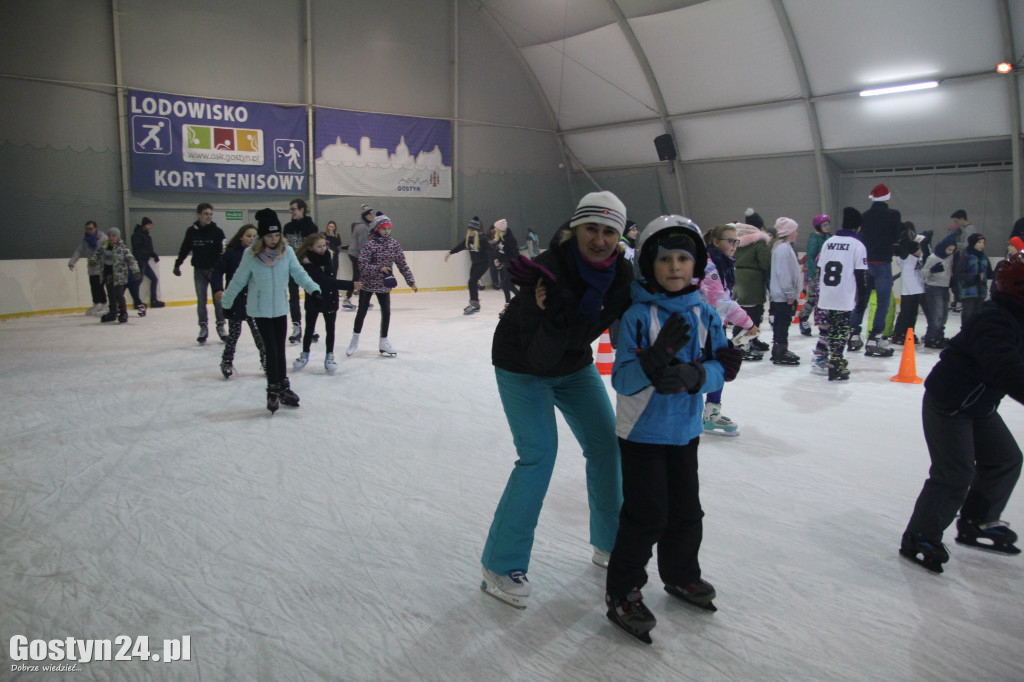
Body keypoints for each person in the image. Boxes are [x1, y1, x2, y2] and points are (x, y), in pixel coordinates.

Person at [480, 191, 633, 610]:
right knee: (539, 454)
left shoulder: (621, 272)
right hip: (522, 364)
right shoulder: (547, 270)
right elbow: (538, 356)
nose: (599, 240)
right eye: (591, 229)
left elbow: (637, 311)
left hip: (573, 363)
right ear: (575, 229)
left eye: (609, 231)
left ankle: (610, 543)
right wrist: (552, 314)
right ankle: (500, 565)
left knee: (606, 445)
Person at [604, 215, 739, 643]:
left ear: (696, 264)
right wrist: (653, 358)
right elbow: (622, 380)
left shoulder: (705, 313)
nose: (675, 267)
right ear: (650, 264)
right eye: (665, 259)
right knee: (646, 516)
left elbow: (721, 365)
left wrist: (697, 376)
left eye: (683, 258)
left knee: (686, 512)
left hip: (684, 432)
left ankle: (681, 574)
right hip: (642, 433)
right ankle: (623, 591)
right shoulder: (637, 315)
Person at [900, 251, 1024, 573]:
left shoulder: (1017, 316)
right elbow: (1008, 371)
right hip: (950, 404)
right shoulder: (995, 320)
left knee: (1005, 458)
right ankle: (920, 535)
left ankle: (977, 521)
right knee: (955, 473)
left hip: (978, 406)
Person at [220, 209, 321, 413]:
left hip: (280, 308)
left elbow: (299, 273)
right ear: (262, 236)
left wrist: (314, 289)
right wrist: (226, 304)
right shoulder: (251, 254)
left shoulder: (287, 252)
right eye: (269, 236)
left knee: (280, 349)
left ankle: (284, 387)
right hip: (259, 310)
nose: (273, 240)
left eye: (276, 235)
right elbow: (238, 280)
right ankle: (272, 390)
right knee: (271, 350)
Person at [700, 223, 755, 435]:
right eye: (730, 241)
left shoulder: (721, 264)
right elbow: (722, 302)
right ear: (716, 242)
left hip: (711, 326)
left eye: (736, 241)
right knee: (717, 367)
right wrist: (748, 323)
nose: (734, 245)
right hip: (702, 329)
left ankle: (710, 413)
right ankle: (704, 414)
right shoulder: (710, 268)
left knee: (718, 366)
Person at [347, 215, 418, 357]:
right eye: (383, 228)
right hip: (367, 284)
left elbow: (402, 264)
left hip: (383, 285)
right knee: (362, 312)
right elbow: (362, 265)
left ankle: (383, 341)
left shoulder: (394, 245)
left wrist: (411, 281)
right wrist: (379, 268)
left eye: (388, 229)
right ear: (377, 229)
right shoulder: (370, 245)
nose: (386, 231)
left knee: (386, 312)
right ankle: (354, 340)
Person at [815, 207, 868, 381]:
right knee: (842, 328)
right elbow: (860, 275)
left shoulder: (828, 242)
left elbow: (820, 268)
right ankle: (836, 361)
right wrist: (863, 299)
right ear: (858, 227)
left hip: (827, 293)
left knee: (832, 329)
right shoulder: (857, 245)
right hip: (844, 294)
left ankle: (834, 358)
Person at [293, 233, 357, 373]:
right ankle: (305, 354)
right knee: (309, 329)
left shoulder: (328, 257)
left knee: (330, 329)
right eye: (319, 246)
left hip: (330, 298)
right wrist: (351, 285)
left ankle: (329, 356)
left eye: (324, 245)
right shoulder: (307, 263)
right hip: (314, 299)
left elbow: (330, 278)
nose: (323, 248)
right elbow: (324, 281)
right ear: (310, 247)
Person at [850, 184, 901, 357]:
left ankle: (854, 334)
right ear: (887, 197)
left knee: (862, 300)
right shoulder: (894, 215)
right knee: (883, 301)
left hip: (865, 263)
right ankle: (874, 338)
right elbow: (895, 237)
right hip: (882, 263)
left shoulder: (864, 216)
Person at [211, 224, 266, 379]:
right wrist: (218, 289)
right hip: (236, 300)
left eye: (254, 236)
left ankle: (266, 360)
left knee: (259, 334)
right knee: (234, 333)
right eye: (248, 235)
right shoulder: (231, 254)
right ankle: (227, 361)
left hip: (254, 301)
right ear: (241, 237)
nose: (251, 239)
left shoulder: (260, 255)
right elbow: (217, 271)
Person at [173, 203, 227, 344]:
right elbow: (185, 248)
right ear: (199, 215)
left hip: (215, 272)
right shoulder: (192, 231)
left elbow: (223, 252)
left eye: (211, 214)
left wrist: (223, 268)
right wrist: (178, 264)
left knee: (218, 300)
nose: (209, 216)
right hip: (199, 271)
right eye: (206, 214)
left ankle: (221, 326)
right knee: (201, 300)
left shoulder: (218, 232)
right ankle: (203, 327)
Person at [733, 220, 772, 360]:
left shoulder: (735, 238)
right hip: (753, 280)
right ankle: (742, 344)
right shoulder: (759, 241)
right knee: (753, 312)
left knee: (741, 311)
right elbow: (765, 262)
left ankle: (750, 340)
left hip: (737, 277)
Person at [283, 198, 319, 343]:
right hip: (291, 266)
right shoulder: (287, 227)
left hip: (307, 266)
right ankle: (296, 327)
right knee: (293, 297)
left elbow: (315, 246)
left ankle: (311, 327)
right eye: (290, 209)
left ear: (302, 210)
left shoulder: (311, 227)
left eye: (294, 209)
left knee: (310, 296)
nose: (291, 212)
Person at [768, 217, 802, 365]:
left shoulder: (784, 247)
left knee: (782, 322)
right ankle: (780, 350)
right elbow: (784, 273)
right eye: (795, 231)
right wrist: (789, 293)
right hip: (782, 295)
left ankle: (778, 349)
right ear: (789, 232)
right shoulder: (783, 249)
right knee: (783, 322)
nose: (797, 233)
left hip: (782, 293)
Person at [445, 217, 489, 315]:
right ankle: (475, 303)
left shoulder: (482, 239)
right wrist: (450, 252)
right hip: (475, 263)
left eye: (472, 230)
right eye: (469, 229)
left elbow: (491, 250)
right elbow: (461, 246)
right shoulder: (469, 239)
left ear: (476, 230)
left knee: (472, 281)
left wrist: (497, 260)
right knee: (472, 282)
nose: (470, 231)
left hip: (484, 263)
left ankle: (474, 304)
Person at [96, 228, 141, 324]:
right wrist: (93, 260)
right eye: (109, 236)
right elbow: (97, 254)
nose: (111, 238)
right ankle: (113, 312)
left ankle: (123, 312)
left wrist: (136, 271)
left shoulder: (123, 249)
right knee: (110, 295)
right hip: (108, 275)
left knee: (118, 295)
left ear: (118, 237)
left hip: (119, 276)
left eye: (113, 236)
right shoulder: (104, 247)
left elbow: (132, 260)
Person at [798, 214, 831, 336]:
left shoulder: (829, 237)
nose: (827, 227)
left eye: (828, 224)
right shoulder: (814, 239)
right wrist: (814, 274)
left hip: (826, 274)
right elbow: (811, 258)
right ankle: (803, 318)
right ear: (818, 226)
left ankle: (826, 322)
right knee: (812, 298)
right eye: (824, 225)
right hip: (815, 274)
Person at [892, 232, 927, 345]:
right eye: (919, 249)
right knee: (905, 314)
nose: (920, 250)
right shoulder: (906, 259)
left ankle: (909, 332)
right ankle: (899, 333)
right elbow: (902, 253)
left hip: (917, 289)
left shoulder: (919, 258)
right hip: (908, 291)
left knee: (913, 314)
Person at [67, 220, 108, 316]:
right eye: (87, 229)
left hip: (101, 266)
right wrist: (72, 261)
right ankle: (96, 304)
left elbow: (107, 250)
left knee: (100, 286)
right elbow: (79, 250)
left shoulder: (103, 238)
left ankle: (104, 305)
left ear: (95, 228)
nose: (89, 230)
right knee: (93, 286)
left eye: (91, 228)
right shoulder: (85, 240)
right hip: (91, 267)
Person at [956, 233, 993, 327]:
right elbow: (959, 274)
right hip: (968, 291)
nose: (982, 245)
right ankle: (966, 332)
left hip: (981, 291)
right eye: (979, 242)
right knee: (968, 314)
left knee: (979, 314)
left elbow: (989, 273)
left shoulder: (984, 257)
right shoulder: (966, 257)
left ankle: (975, 333)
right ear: (972, 243)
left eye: (983, 243)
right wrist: (974, 277)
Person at [344, 204, 375, 311]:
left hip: (355, 254)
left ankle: (362, 300)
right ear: (365, 216)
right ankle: (347, 299)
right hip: (357, 255)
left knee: (360, 278)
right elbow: (363, 245)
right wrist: (367, 258)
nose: (372, 216)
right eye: (370, 215)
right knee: (358, 278)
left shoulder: (362, 225)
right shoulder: (363, 227)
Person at [131, 217, 164, 309]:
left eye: (150, 225)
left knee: (154, 279)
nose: (150, 227)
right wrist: (139, 259)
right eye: (149, 225)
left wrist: (154, 255)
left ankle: (153, 300)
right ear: (144, 225)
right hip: (140, 261)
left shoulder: (147, 236)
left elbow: (149, 249)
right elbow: (136, 249)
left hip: (145, 261)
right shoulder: (137, 235)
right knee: (138, 281)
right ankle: (137, 302)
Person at [488, 219, 520, 315]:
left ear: (500, 230)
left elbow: (513, 254)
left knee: (505, 284)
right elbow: (498, 251)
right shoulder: (499, 238)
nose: (494, 229)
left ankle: (507, 306)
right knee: (509, 285)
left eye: (496, 228)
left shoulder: (510, 240)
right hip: (506, 264)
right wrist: (497, 259)